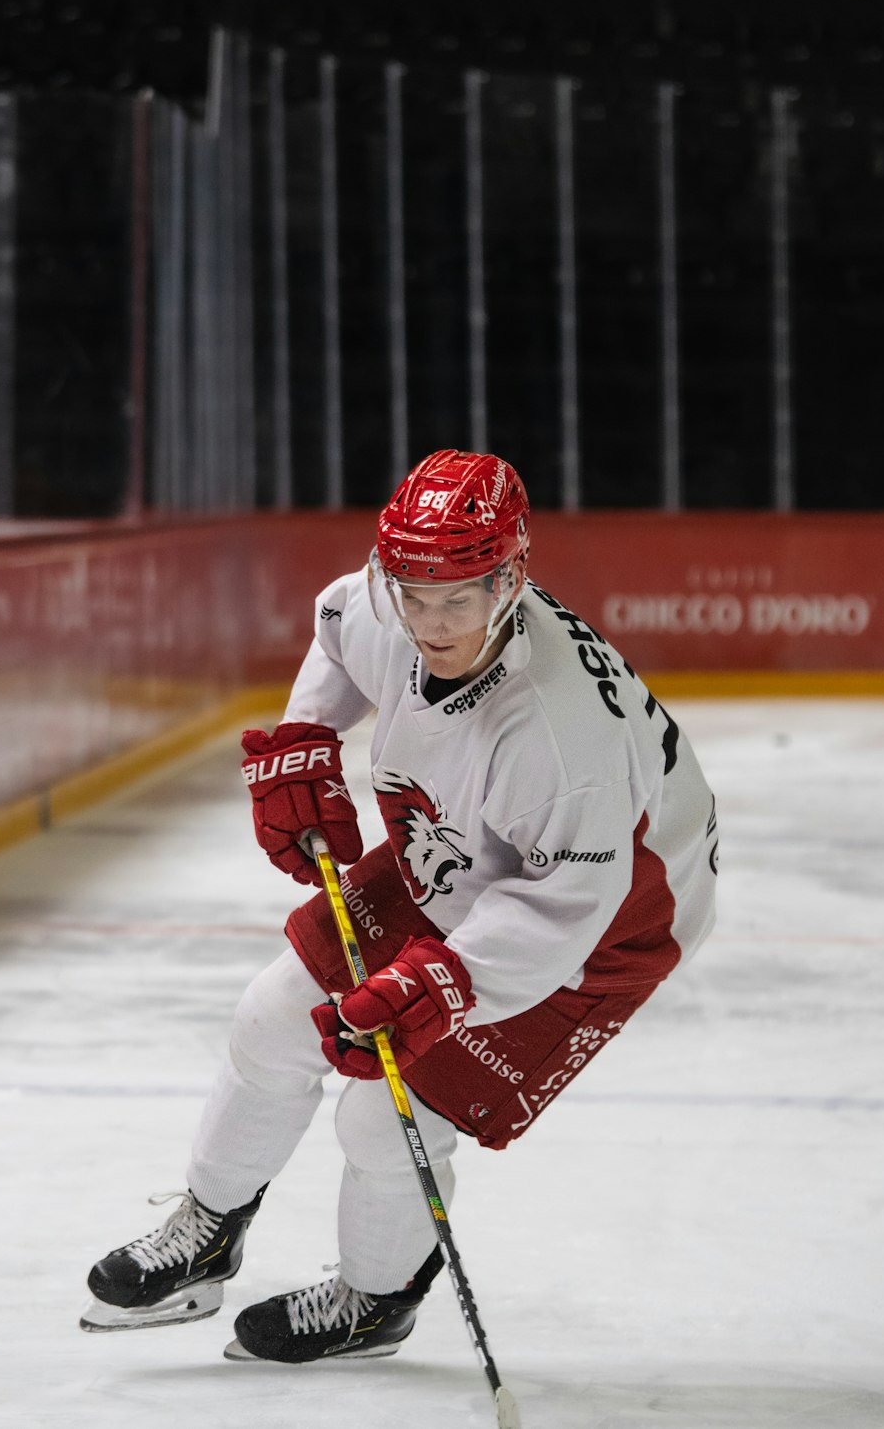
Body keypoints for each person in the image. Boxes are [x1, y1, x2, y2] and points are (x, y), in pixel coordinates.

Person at [81, 448, 718, 1362]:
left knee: (387, 1115)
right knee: (272, 1019)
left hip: (607, 922)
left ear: (512, 577)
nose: (430, 622)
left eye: (458, 600)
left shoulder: (559, 738)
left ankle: (375, 1299)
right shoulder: (391, 597)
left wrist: (444, 986)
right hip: (467, 851)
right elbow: (339, 637)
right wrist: (305, 738)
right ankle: (209, 1229)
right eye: (413, 596)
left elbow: (565, 903)